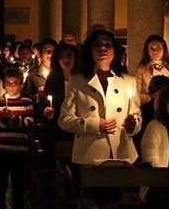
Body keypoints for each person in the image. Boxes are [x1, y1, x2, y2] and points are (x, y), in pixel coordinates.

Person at [59, 30, 142, 165]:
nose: (103, 48)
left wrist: (133, 124)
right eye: (97, 45)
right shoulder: (78, 81)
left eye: (107, 44)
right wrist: (94, 124)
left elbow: (136, 114)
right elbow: (64, 120)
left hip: (122, 153)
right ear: (90, 52)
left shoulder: (129, 81)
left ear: (115, 51)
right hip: (89, 155)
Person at [0, 69, 34, 209]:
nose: (12, 87)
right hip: (1, 149)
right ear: (4, 85)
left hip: (19, 150)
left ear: (21, 85)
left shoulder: (26, 102)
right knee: (0, 185)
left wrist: (15, 119)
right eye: (8, 84)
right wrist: (2, 119)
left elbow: (29, 123)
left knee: (19, 185)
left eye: (15, 84)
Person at [41, 43, 77, 162]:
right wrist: (46, 111)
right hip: (58, 128)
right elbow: (45, 104)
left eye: (69, 55)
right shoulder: (53, 80)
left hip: (78, 128)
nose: (66, 59)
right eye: (62, 56)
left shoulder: (82, 80)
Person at [134, 35, 169, 104]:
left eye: (158, 47)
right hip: (148, 105)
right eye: (151, 48)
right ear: (147, 50)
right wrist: (153, 98)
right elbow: (137, 92)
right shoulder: (141, 68)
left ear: (164, 49)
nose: (155, 51)